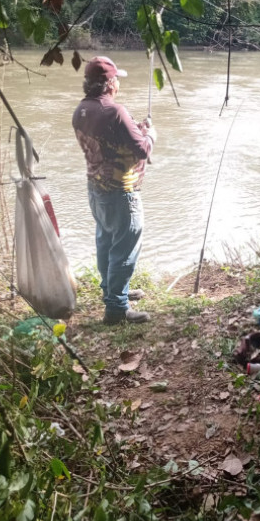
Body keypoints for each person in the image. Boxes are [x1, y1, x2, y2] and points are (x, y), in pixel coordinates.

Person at [73, 56, 156, 324]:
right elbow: (141, 149)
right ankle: (117, 309)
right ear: (109, 83)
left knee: (106, 241)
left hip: (95, 189)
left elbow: (107, 142)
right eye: (116, 78)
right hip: (121, 191)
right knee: (125, 246)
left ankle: (113, 292)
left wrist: (136, 130)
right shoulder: (115, 111)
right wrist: (151, 134)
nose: (118, 82)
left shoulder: (80, 111)